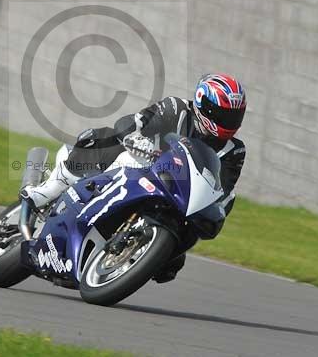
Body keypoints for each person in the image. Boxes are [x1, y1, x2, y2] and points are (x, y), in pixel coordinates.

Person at [20, 73, 246, 282]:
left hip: (179, 197)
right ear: (203, 105)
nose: (228, 121)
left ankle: (127, 253)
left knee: (174, 261)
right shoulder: (175, 109)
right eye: (223, 114)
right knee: (104, 140)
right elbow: (134, 122)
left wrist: (219, 208)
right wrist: (137, 139)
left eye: (234, 116)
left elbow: (222, 187)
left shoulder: (234, 151)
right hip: (143, 168)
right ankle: (48, 189)